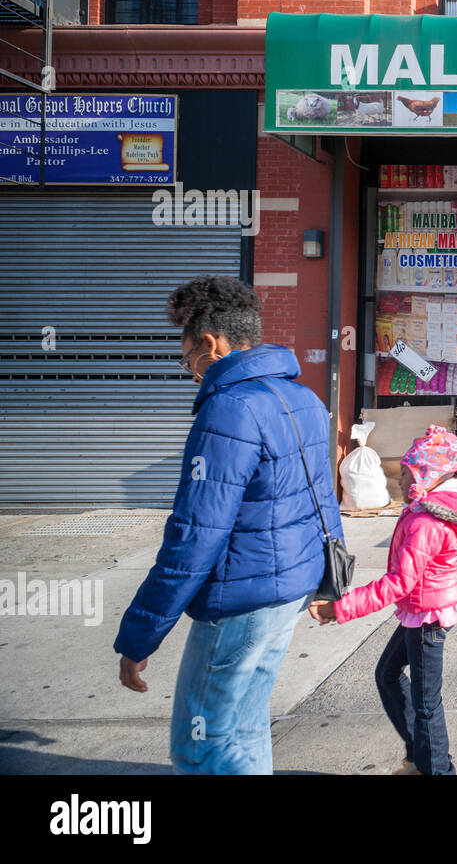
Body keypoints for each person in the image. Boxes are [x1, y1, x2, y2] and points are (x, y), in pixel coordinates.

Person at [114, 275, 342, 775]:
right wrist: (332, 581)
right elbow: (324, 497)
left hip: (239, 602)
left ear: (210, 344)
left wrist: (139, 636)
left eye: (185, 352)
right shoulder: (303, 398)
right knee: (245, 726)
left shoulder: (228, 409)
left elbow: (196, 535)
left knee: (201, 746)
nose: (186, 365)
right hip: (289, 593)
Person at [310, 425, 457, 775]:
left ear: (429, 474)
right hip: (431, 604)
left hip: (427, 614)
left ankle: (437, 769)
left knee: (426, 704)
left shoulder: (428, 520)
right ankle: (418, 759)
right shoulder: (444, 503)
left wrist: (340, 608)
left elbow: (398, 583)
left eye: (406, 472)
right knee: (388, 674)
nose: (398, 479)